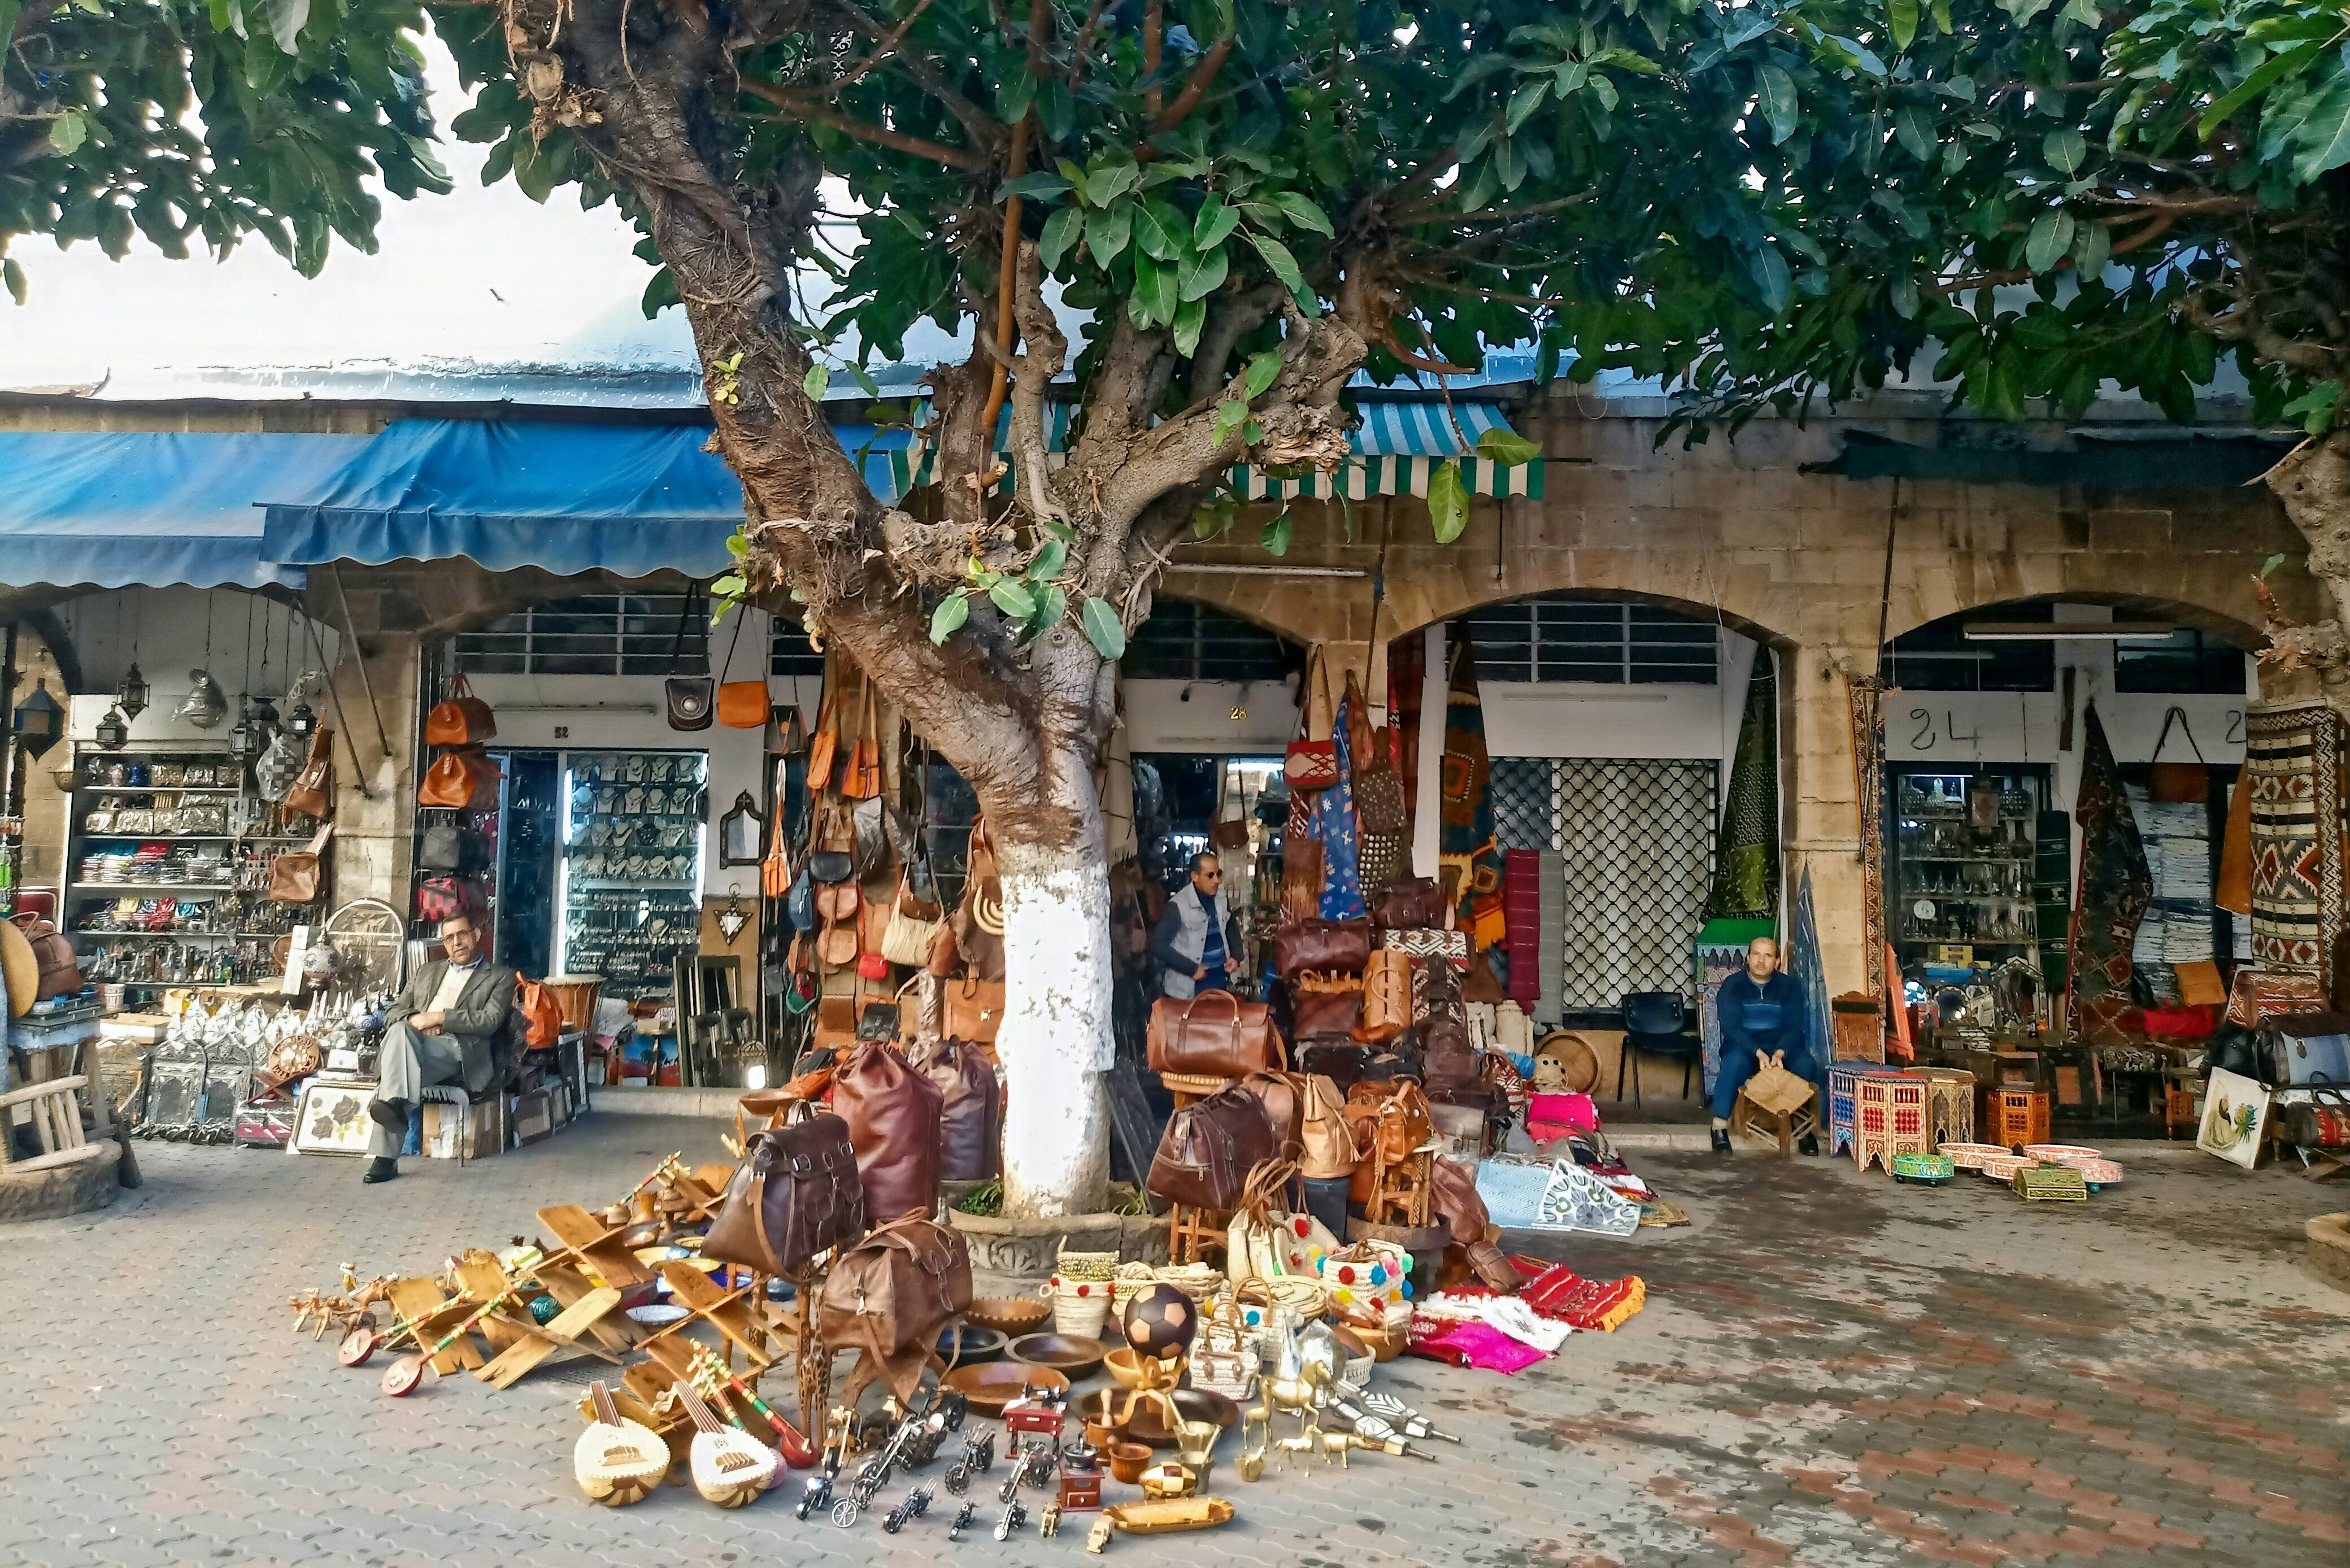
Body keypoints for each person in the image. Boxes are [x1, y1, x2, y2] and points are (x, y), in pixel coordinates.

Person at [363, 913, 515, 1184]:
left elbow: (489, 1021)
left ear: (477, 935)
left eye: (462, 935)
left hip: (459, 1051)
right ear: (443, 943)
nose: (457, 942)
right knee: (400, 1030)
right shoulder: (426, 972)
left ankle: (385, 1158)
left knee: (395, 1066)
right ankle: (395, 1108)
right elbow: (393, 1012)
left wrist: (439, 1018)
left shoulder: (499, 977)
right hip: (417, 1045)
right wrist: (415, 1021)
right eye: (449, 938)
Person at [1711, 935, 1816, 1155]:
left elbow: (1794, 1026)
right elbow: (1731, 1028)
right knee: (1733, 1062)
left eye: (1768, 956)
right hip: (1745, 1046)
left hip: (1779, 1046)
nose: (1761, 961)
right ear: (1748, 959)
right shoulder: (1733, 986)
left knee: (1805, 1064)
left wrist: (1780, 1052)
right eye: (1756, 955)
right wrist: (1757, 1052)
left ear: (1777, 962)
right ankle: (1719, 1126)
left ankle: (1803, 1129)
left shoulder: (1788, 986)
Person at [1150, 850, 1239, 999]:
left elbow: (1230, 926)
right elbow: (1158, 945)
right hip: (1186, 989)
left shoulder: (1221, 898)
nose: (1217, 880)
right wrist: (1191, 969)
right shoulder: (1178, 906)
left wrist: (1236, 956)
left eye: (1219, 874)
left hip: (1218, 982)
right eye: (1210, 875)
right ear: (1195, 877)